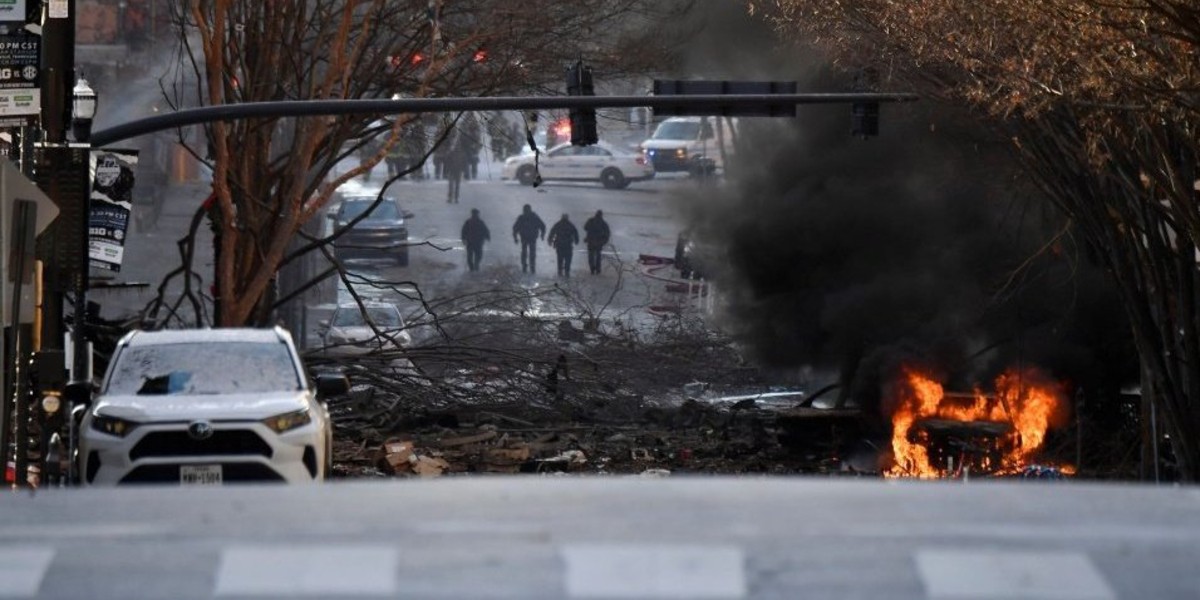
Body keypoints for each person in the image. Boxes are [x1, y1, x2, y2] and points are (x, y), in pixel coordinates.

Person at [512, 204, 546, 274]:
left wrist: (542, 234)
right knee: (527, 253)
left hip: (530, 238)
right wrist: (515, 237)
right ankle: (527, 267)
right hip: (527, 237)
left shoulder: (531, 217)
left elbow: (542, 226)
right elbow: (515, 228)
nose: (526, 211)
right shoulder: (525, 217)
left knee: (529, 253)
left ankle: (529, 267)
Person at [547, 213, 580, 278]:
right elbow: (575, 233)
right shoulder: (570, 225)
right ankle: (566, 272)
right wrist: (576, 241)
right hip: (567, 245)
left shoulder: (558, 224)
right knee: (568, 259)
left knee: (560, 259)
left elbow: (552, 232)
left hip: (560, 245)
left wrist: (550, 240)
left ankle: (560, 272)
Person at [583, 210, 611, 275]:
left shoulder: (591, 221)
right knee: (598, 256)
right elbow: (607, 233)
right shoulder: (603, 223)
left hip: (591, 241)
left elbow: (585, 228)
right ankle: (598, 269)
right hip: (599, 242)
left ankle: (592, 269)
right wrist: (604, 241)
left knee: (591, 256)